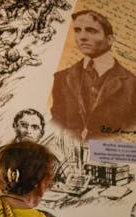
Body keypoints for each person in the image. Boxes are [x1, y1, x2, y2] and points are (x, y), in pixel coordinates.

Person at [50, 9, 136, 140]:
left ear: (110, 39)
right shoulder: (61, 78)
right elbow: (56, 124)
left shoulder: (131, 83)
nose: (82, 37)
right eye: (77, 30)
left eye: (91, 30)